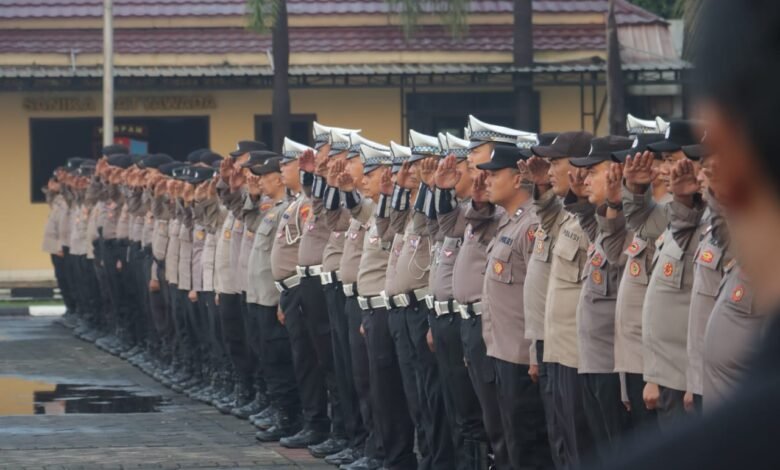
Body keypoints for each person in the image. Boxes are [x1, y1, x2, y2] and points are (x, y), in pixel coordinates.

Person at [589, 1, 780, 468]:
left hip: (696, 391)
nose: (670, 166)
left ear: (727, 160)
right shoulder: (679, 215)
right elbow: (629, 239)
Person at [477, 143, 552, 469]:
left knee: (527, 445)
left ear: (519, 177)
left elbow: (541, 294)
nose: (487, 181)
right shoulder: (508, 222)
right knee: (506, 444)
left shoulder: (533, 225)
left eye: (494, 174)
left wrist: (536, 353)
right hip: (500, 352)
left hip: (523, 359)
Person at [529, 131, 595, 466]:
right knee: (563, 444)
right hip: (556, 351)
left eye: (556, 162)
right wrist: (542, 186)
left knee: (581, 446)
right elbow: (547, 215)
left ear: (581, 166)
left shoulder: (593, 218)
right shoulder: (566, 215)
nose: (549, 169)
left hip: (578, 356)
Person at [567, 136, 634, 459]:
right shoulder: (607, 226)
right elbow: (599, 233)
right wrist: (584, 201)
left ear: (617, 173)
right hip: (592, 361)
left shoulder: (633, 229)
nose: (585, 178)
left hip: (614, 368)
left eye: (593, 171)